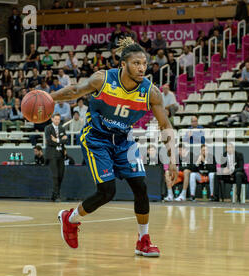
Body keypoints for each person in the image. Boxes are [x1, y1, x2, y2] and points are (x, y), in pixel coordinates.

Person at [50, 37, 177, 256]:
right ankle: (69, 219)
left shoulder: (151, 92)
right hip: (97, 139)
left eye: (144, 63)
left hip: (123, 141)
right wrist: (48, 98)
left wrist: (172, 159)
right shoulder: (103, 79)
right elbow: (74, 92)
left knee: (141, 186)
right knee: (107, 192)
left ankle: (143, 240)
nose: (142, 67)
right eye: (136, 63)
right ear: (123, 64)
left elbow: (166, 126)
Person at [45, 113, 68, 202]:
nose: (57, 121)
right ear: (52, 119)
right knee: (55, 175)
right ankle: (56, 194)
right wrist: (60, 141)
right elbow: (49, 141)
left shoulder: (62, 128)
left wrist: (57, 140)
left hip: (61, 154)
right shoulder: (48, 128)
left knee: (61, 175)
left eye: (59, 119)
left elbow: (66, 140)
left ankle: (55, 194)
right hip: (52, 154)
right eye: (56, 119)